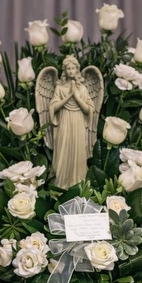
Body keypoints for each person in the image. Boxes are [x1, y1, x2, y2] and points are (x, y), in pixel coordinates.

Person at [48, 56, 95, 189]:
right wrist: (69, 95)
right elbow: (53, 107)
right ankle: (61, 184)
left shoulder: (83, 89)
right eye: (68, 68)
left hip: (78, 121)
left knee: (78, 150)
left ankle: (77, 183)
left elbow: (88, 110)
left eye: (73, 68)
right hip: (64, 121)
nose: (71, 71)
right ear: (64, 70)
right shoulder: (60, 88)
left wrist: (76, 96)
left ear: (77, 69)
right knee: (63, 149)